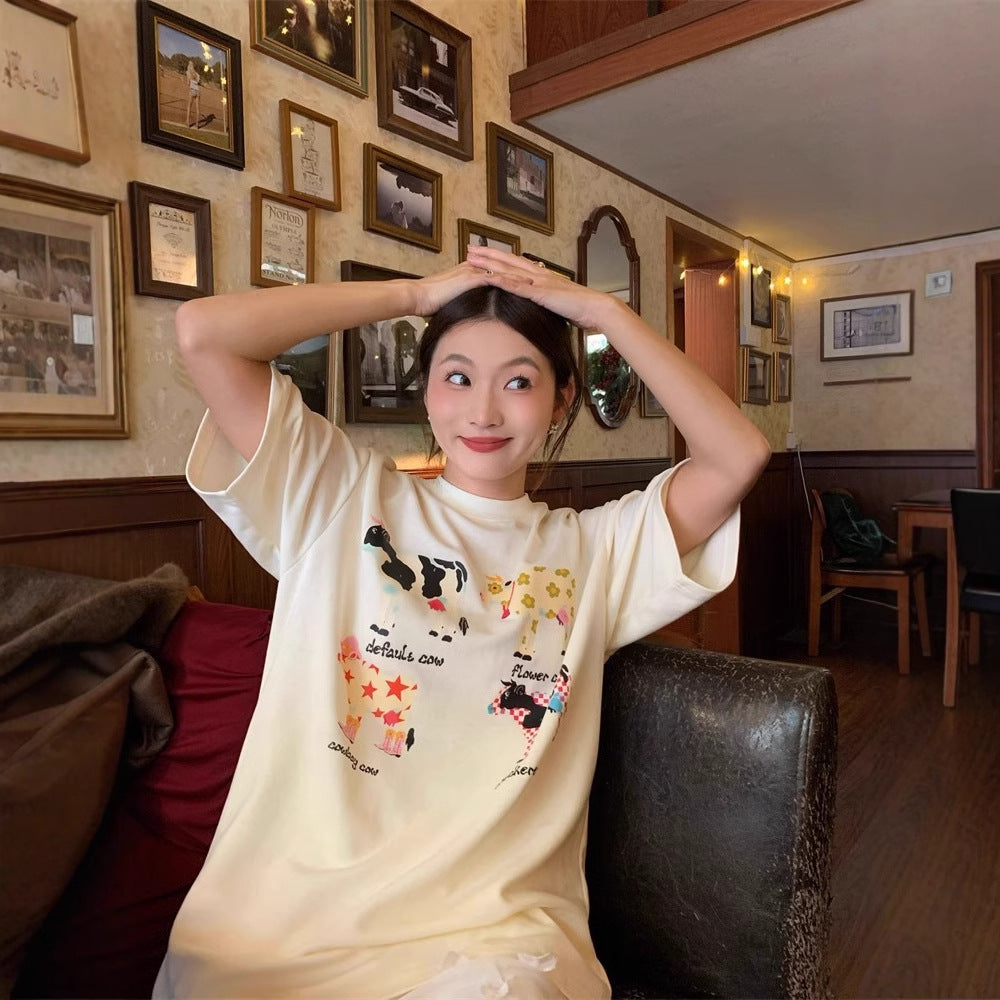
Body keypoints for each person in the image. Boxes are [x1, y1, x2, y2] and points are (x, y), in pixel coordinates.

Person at [154, 247, 770, 999]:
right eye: (457, 377)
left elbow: (737, 454)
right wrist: (412, 294)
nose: (483, 412)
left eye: (519, 381)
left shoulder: (597, 551)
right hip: (283, 932)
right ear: (427, 392)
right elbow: (205, 334)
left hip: (491, 947)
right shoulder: (338, 496)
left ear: (561, 400)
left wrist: (601, 311)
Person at [184, 59, 200, 128]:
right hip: (197, 90)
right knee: (197, 108)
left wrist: (183, 80)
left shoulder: (188, 72)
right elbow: (198, 82)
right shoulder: (197, 74)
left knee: (189, 106)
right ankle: (197, 124)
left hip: (192, 90)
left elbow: (188, 83)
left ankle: (188, 122)